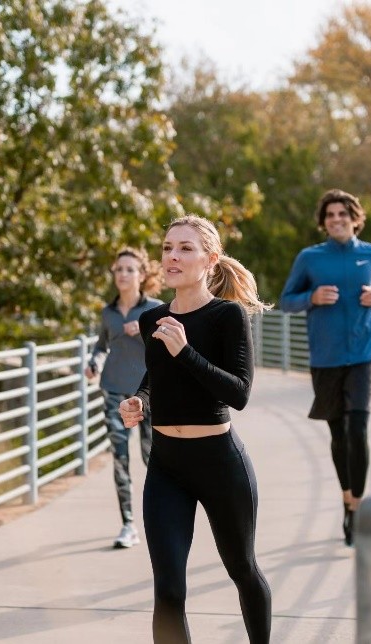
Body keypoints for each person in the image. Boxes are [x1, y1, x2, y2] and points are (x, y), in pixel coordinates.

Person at [118, 215, 272, 643]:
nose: (172, 256)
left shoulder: (227, 317)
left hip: (220, 462)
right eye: (168, 247)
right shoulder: (153, 319)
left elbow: (239, 393)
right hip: (167, 465)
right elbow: (155, 380)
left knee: (242, 568)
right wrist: (139, 402)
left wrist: (185, 351)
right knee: (168, 591)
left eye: (185, 248)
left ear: (210, 259)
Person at [279, 188, 371, 547]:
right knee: (339, 434)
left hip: (366, 354)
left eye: (343, 214)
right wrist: (311, 298)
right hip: (326, 358)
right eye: (330, 215)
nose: (337, 220)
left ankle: (358, 509)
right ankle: (347, 499)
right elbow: (285, 301)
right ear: (323, 222)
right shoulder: (310, 259)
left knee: (358, 425)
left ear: (355, 218)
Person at [85, 247, 163, 549]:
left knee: (152, 458)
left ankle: (158, 519)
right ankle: (128, 524)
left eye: (130, 269)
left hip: (148, 394)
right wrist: (92, 363)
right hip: (114, 391)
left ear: (141, 275)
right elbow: (101, 346)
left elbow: (168, 346)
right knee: (119, 459)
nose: (123, 274)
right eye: (119, 269)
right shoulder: (108, 312)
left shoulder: (156, 309)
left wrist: (142, 329)